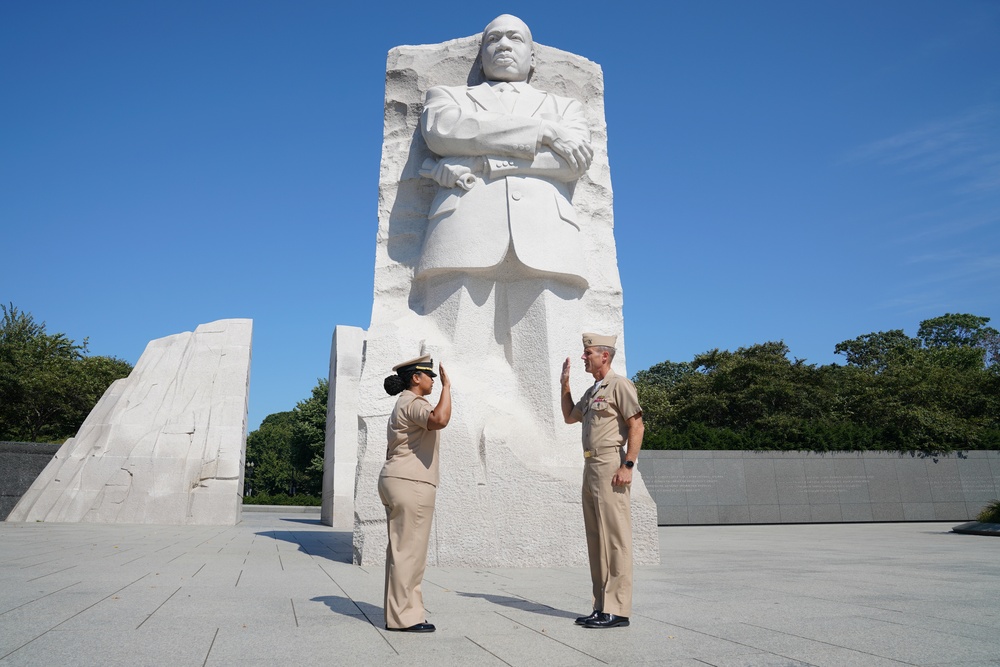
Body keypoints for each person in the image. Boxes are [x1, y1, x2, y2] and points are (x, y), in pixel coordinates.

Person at [560, 333, 643, 629]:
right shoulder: (593, 390)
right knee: (596, 539)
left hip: (611, 463)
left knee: (615, 539)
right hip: (590, 464)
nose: (584, 357)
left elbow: (636, 424)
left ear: (604, 356)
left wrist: (628, 464)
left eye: (588, 353)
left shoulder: (619, 385)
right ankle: (601, 605)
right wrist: (565, 385)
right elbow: (571, 416)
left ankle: (618, 610)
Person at [379, 355, 452, 633]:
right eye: (428, 375)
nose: (433, 379)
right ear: (415, 378)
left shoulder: (403, 403)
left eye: (435, 376)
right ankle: (405, 618)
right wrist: (447, 387)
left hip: (397, 479)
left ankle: (397, 613)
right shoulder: (414, 402)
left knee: (401, 551)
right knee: (410, 553)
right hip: (411, 482)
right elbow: (439, 419)